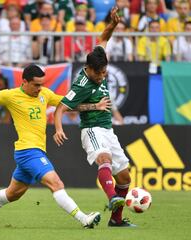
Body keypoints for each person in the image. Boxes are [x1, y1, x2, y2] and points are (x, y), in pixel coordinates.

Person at [0, 64, 113, 229]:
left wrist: (95, 106)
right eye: (36, 85)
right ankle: (84, 219)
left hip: (35, 151)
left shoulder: (44, 94)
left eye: (42, 84)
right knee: (56, 183)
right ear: (24, 82)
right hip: (28, 151)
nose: (39, 88)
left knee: (12, 194)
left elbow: (68, 105)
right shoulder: (10, 96)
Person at [53, 7, 135, 227]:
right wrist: (59, 128)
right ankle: (111, 197)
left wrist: (114, 24)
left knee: (125, 178)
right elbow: (61, 108)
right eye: (98, 73)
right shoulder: (81, 84)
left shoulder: (98, 58)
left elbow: (102, 38)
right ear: (88, 68)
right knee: (104, 159)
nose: (102, 76)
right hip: (92, 130)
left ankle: (116, 220)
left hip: (108, 129)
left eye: (104, 72)